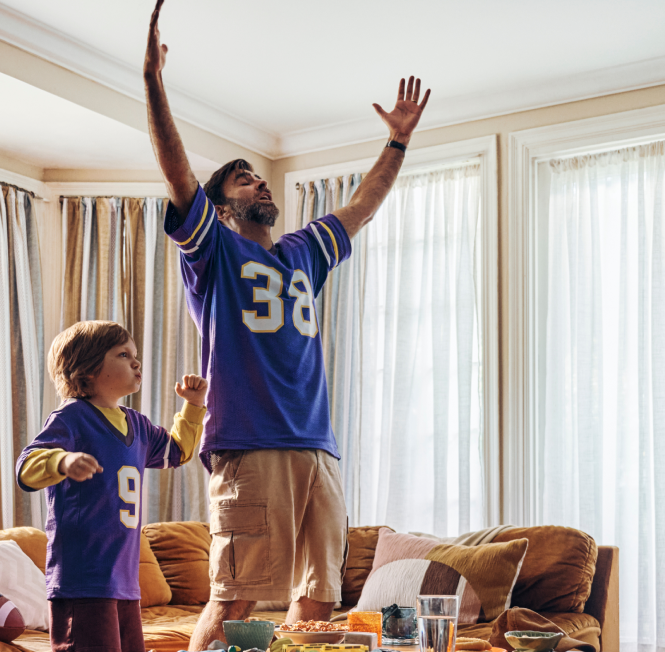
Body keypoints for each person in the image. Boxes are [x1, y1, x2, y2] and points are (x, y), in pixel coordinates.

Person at [142, 0, 431, 648]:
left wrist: (398, 140)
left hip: (317, 448)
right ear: (220, 206)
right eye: (243, 180)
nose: (259, 184)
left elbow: (363, 204)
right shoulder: (214, 250)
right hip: (251, 444)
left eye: (260, 178)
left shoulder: (305, 250)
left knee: (316, 603)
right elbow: (176, 170)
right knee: (236, 597)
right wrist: (155, 86)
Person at [15, 320, 208, 652]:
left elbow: (177, 452)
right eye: (122, 354)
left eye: (135, 354)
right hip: (83, 578)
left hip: (124, 581)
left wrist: (193, 405)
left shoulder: (138, 425)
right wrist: (62, 462)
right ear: (87, 370)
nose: (136, 362)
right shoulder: (71, 417)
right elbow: (26, 467)